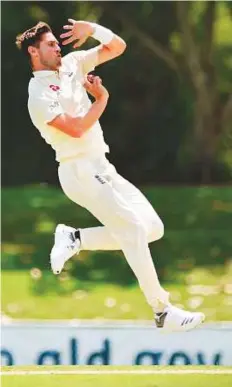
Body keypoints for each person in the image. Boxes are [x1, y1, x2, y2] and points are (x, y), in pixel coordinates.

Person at [16, 19, 205, 332]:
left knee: (152, 228)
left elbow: (117, 47)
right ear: (34, 52)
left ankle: (75, 237)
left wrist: (91, 28)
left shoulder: (74, 63)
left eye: (56, 41)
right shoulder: (37, 95)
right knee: (130, 228)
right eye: (50, 44)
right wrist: (101, 100)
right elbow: (75, 129)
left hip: (101, 166)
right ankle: (162, 309)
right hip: (78, 169)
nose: (57, 46)